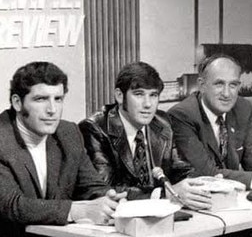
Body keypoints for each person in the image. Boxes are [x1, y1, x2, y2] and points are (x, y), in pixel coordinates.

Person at [0, 62, 126, 236]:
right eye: (41, 99)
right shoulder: (2, 139)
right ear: (17, 102)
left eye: (58, 99)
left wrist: (109, 200)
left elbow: (91, 186)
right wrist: (76, 211)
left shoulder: (68, 133)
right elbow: (13, 205)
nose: (52, 110)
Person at [79, 62, 212, 210]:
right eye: (139, 94)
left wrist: (201, 184)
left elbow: (181, 170)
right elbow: (104, 190)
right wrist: (163, 195)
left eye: (153, 95)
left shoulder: (163, 123)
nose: (148, 104)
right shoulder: (94, 128)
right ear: (119, 96)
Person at [168, 54, 252, 190]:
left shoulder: (243, 109)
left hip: (233, 199)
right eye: (219, 84)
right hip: (197, 201)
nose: (227, 94)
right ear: (202, 85)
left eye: (233, 85)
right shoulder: (182, 115)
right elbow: (207, 174)